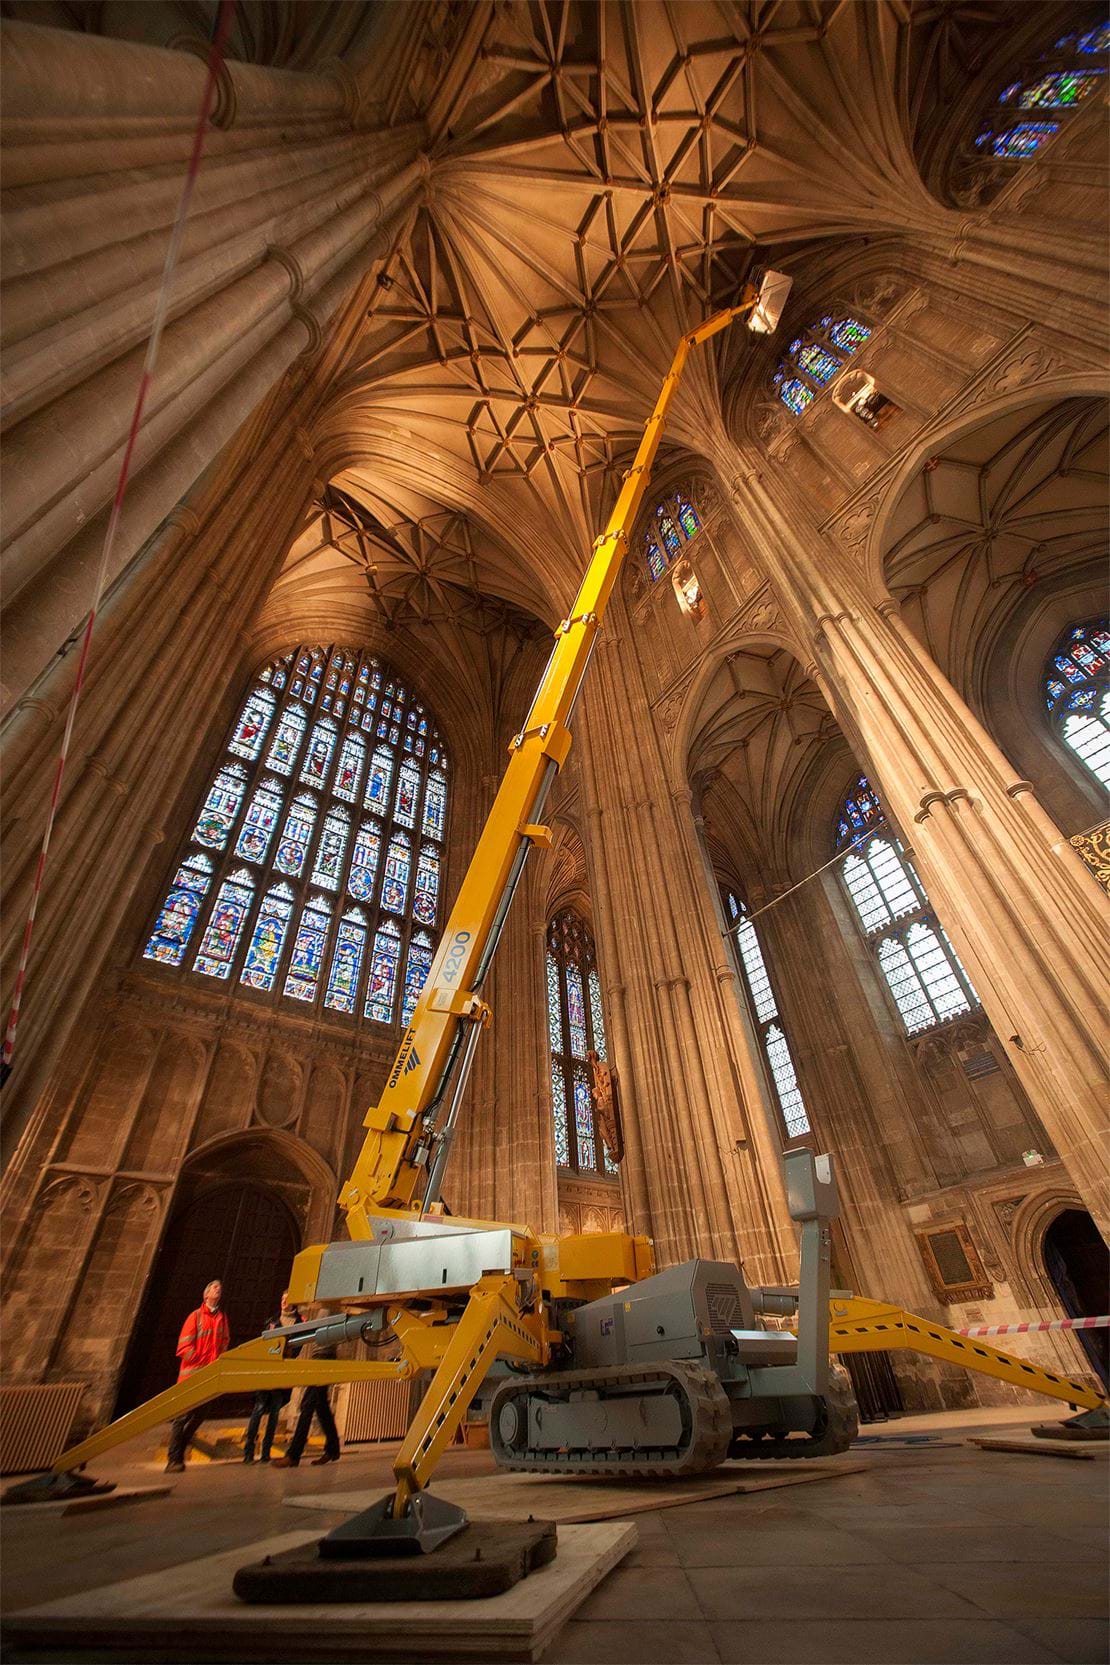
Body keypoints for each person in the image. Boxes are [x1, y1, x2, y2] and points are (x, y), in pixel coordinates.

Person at [165, 1279, 230, 1473]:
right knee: (181, 1417)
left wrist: (217, 1361)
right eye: (214, 1287)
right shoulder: (195, 1316)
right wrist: (199, 1360)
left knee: (201, 1414)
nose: (218, 1289)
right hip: (192, 1375)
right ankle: (173, 1459)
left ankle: (180, 1448)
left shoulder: (222, 1317)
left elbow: (225, 1340)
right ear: (206, 1294)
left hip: (210, 1374)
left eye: (220, 1288)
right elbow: (184, 1345)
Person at [272, 1317, 340, 1468]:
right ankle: (333, 1449)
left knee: (308, 1404)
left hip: (324, 1356)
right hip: (320, 1354)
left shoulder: (329, 1304)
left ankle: (294, 1455)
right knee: (320, 1405)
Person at [242, 1292, 300, 1464]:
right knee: (258, 1410)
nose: (283, 1302)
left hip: (281, 1373)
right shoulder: (272, 1322)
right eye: (282, 1299)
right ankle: (248, 1451)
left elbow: (296, 1349)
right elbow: (263, 1344)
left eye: (287, 1299)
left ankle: (266, 1452)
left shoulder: (299, 1323)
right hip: (267, 1371)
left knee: (274, 1412)